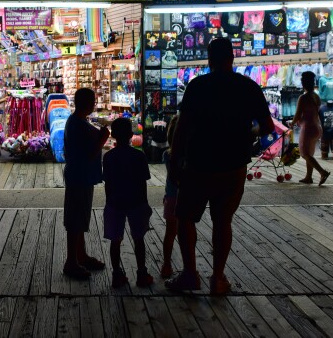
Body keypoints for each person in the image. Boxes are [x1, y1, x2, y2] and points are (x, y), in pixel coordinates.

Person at [166, 38, 274, 295]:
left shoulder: (198, 86)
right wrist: (250, 133)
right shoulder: (248, 87)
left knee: (185, 219)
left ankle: (190, 274)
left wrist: (175, 161)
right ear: (232, 58)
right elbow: (267, 126)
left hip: (198, 163)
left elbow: (182, 128)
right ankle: (218, 278)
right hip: (233, 164)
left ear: (209, 59)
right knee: (223, 221)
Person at [62, 87, 111, 280]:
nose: (94, 104)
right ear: (86, 103)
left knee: (79, 217)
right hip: (79, 175)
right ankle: (71, 261)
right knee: (75, 219)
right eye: (93, 101)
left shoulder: (76, 122)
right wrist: (103, 139)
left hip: (79, 175)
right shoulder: (79, 125)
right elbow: (90, 153)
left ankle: (79, 255)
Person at [102, 117, 155, 288]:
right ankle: (141, 273)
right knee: (138, 239)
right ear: (132, 135)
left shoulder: (109, 157)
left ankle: (117, 274)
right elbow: (143, 183)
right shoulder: (139, 157)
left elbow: (108, 184)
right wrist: (145, 204)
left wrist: (109, 202)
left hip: (115, 202)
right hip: (136, 201)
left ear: (113, 135)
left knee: (115, 240)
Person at [292, 71, 331, 186]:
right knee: (309, 154)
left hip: (308, 128)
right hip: (317, 128)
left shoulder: (303, 97)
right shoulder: (316, 96)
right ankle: (308, 177)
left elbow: (298, 114)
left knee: (305, 154)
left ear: (303, 83)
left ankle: (322, 172)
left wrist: (292, 123)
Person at [160, 114, 180, 279]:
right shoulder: (190, 156)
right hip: (186, 197)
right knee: (188, 231)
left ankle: (166, 264)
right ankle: (189, 265)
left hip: (171, 197)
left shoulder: (167, 155)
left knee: (170, 233)